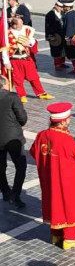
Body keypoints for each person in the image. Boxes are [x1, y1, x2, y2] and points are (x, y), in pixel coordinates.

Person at [29, 102, 75, 249]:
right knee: (69, 204)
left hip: (48, 177)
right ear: (63, 121)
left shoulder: (42, 135)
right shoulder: (65, 138)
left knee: (53, 202)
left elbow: (33, 151)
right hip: (66, 178)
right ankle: (70, 238)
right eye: (68, 118)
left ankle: (56, 235)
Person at [7, 16, 54, 103]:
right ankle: (22, 95)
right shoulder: (7, 34)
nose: (22, 25)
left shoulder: (25, 30)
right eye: (20, 24)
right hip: (15, 60)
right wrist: (6, 62)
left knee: (34, 77)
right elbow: (4, 49)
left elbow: (33, 40)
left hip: (26, 58)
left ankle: (41, 93)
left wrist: (30, 43)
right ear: (14, 25)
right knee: (18, 79)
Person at [0, 75, 27, 208]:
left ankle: (5, 191)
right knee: (20, 166)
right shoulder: (12, 97)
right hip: (13, 137)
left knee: (0, 167)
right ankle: (15, 194)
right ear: (4, 84)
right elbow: (22, 118)